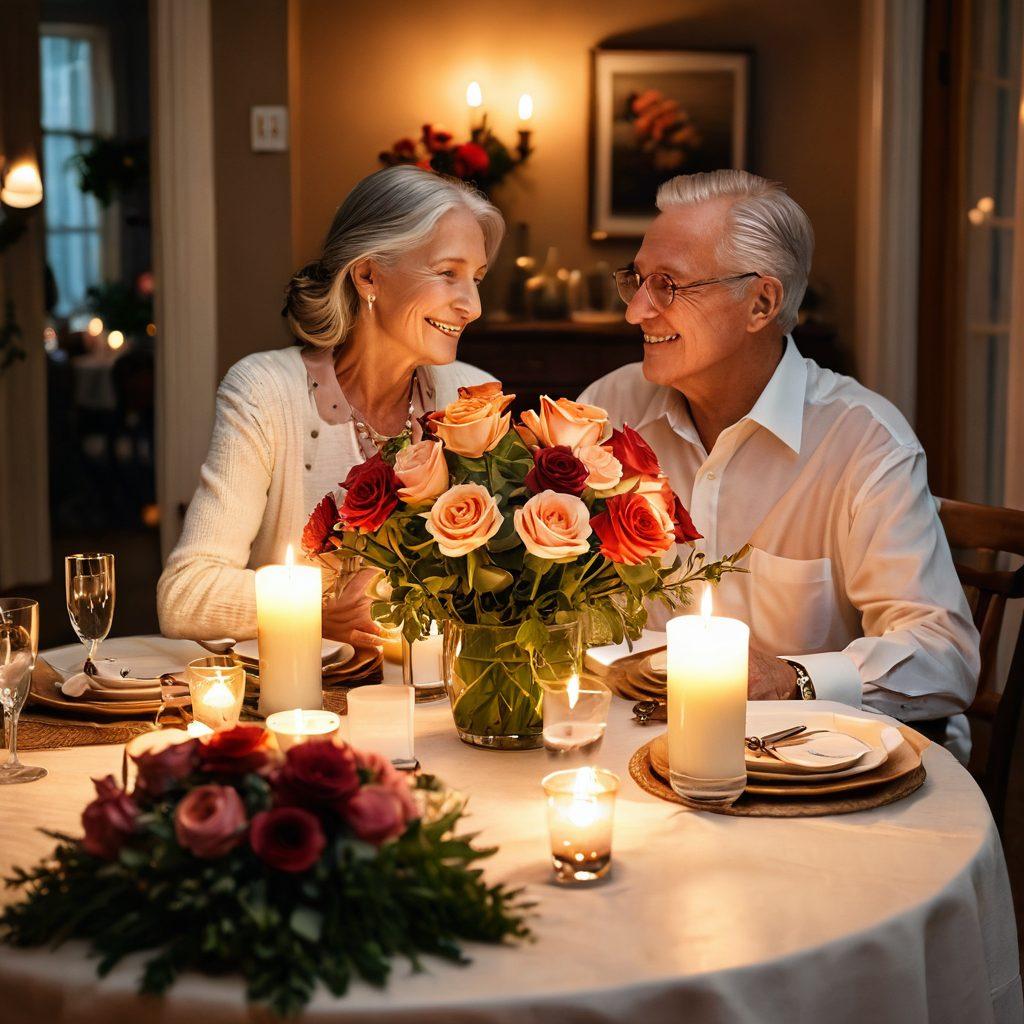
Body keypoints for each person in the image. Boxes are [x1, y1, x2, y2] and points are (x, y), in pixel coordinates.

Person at [580, 169, 979, 756]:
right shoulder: (607, 412)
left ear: (760, 302)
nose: (636, 311)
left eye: (668, 284)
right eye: (636, 281)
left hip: (813, 769)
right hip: (632, 754)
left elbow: (943, 652)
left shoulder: (862, 442)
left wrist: (794, 678)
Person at [158, 166, 502, 647]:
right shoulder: (264, 391)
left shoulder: (475, 401)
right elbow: (186, 593)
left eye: (476, 278)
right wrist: (317, 608)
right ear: (367, 274)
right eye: (448, 274)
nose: (472, 305)